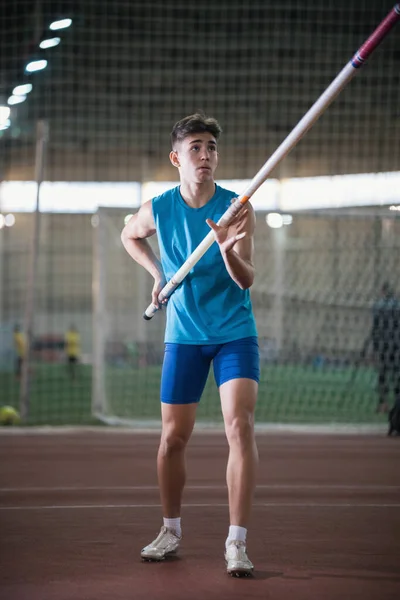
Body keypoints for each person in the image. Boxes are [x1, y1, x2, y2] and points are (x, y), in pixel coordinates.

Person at [121, 112, 259, 576]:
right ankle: (171, 529)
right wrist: (159, 274)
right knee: (172, 438)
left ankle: (236, 543)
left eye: (211, 148)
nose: (205, 155)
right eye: (196, 147)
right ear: (175, 157)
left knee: (239, 428)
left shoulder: (237, 207)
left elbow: (247, 280)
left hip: (234, 333)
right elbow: (129, 235)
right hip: (183, 334)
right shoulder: (158, 208)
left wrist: (224, 249)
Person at [370, 282, 400, 415]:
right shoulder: (397, 306)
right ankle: (397, 404)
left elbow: (375, 328)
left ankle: (383, 403)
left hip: (384, 344)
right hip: (396, 344)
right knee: (397, 375)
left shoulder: (378, 306)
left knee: (383, 375)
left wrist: (375, 347)